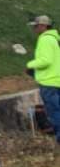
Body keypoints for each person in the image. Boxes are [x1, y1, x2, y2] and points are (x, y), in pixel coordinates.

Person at [26, 15, 60, 144]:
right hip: (57, 81)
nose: (34, 29)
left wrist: (30, 65)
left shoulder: (45, 39)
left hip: (49, 82)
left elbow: (45, 60)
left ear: (43, 26)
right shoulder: (56, 39)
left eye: (36, 26)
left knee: (55, 113)